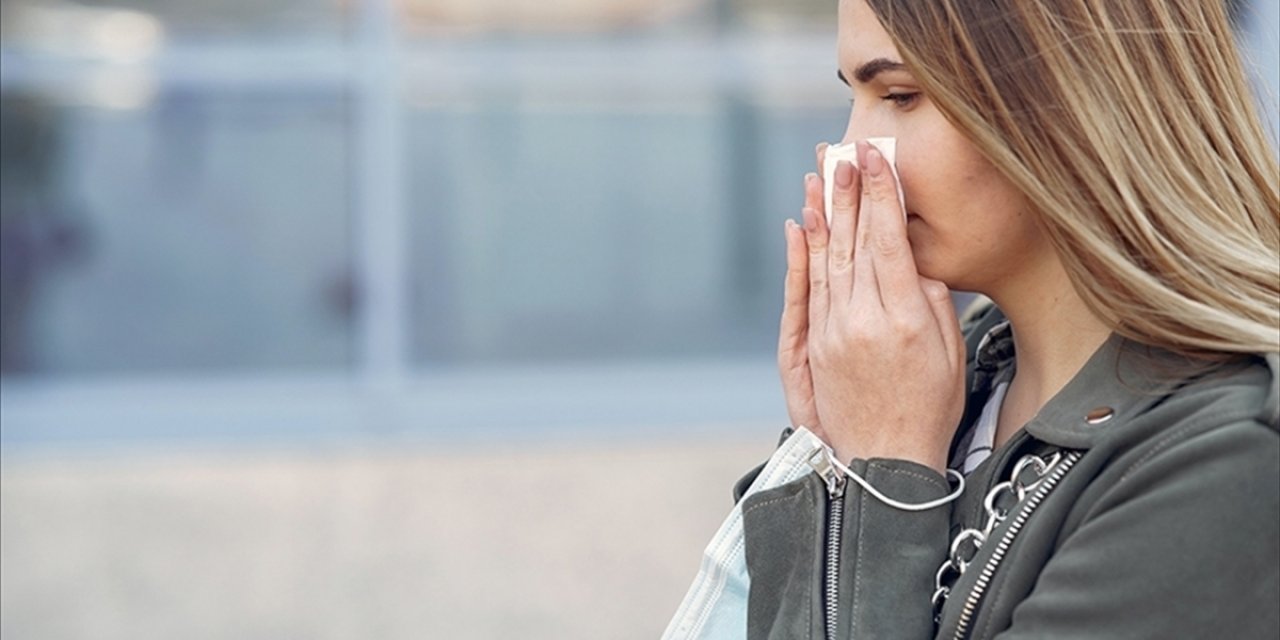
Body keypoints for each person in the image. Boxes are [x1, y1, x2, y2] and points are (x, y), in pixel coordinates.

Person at [663, 0, 1278, 638]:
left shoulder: (1227, 460)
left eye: (900, 95)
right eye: (854, 97)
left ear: (1075, 102)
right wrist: (833, 456)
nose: (847, 153)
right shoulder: (940, 382)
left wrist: (881, 478)